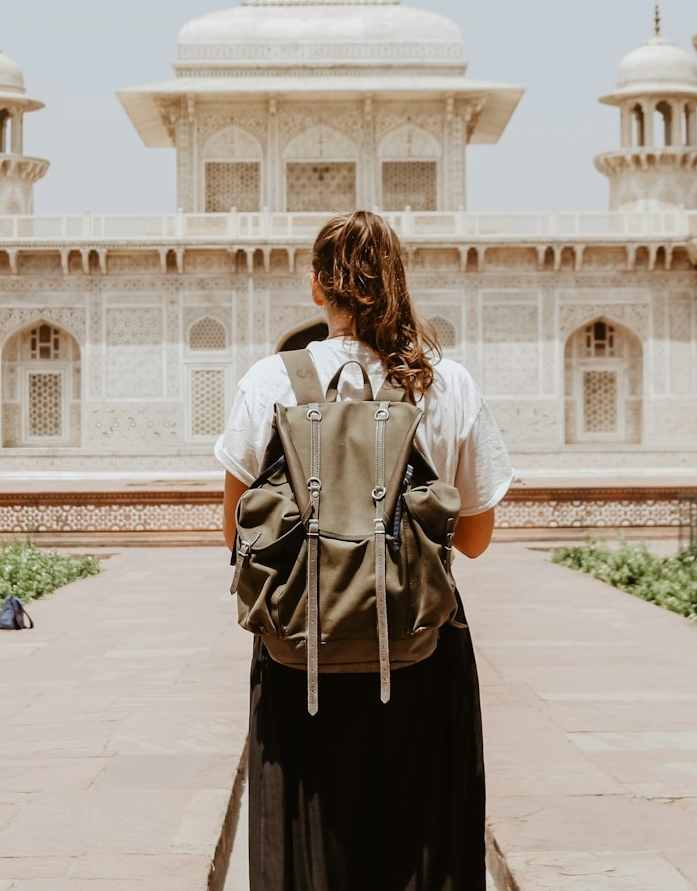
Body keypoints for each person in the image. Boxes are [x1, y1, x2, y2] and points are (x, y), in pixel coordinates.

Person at [215, 211, 514, 891]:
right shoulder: (446, 383)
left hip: (301, 647)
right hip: (420, 645)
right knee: (423, 846)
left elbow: (235, 532)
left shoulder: (270, 381)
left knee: (309, 844)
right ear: (398, 284)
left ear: (318, 287)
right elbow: (475, 538)